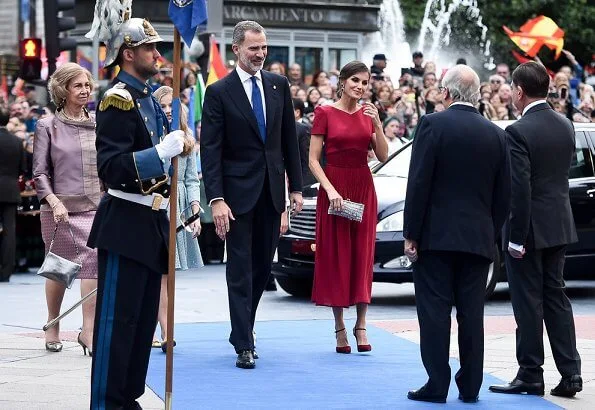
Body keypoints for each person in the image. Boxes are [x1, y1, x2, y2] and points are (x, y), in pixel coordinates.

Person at [85, 15, 185, 408]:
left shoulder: (147, 96)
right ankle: (108, 402)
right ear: (129, 54)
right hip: (125, 224)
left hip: (151, 223)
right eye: (150, 48)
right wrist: (159, 153)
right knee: (117, 325)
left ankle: (128, 398)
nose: (158, 54)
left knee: (143, 327)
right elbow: (111, 168)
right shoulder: (118, 99)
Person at [403, 64, 511, 404]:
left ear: (446, 93)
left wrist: (411, 233)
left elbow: (419, 182)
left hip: (436, 238)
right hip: (477, 241)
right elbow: (503, 194)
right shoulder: (496, 133)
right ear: (477, 95)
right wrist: (489, 234)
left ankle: (437, 384)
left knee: (434, 314)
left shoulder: (432, 125)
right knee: (471, 315)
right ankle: (470, 387)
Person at [200, 20, 303, 369]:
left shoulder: (278, 85)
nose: (260, 54)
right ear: (236, 50)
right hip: (236, 196)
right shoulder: (219, 92)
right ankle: (243, 340)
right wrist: (216, 198)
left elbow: (288, 140)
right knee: (240, 269)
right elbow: (210, 150)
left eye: (263, 47)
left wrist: (297, 188)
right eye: (253, 48)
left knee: (262, 269)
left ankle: (244, 327)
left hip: (272, 193)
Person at [489, 61, 583, 398]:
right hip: (559, 224)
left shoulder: (517, 131)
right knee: (556, 298)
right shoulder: (566, 125)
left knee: (528, 303)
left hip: (528, 231)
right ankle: (571, 374)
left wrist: (514, 238)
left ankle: (530, 373)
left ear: (518, 90)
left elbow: (521, 189)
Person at [309, 61, 389, 354]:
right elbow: (313, 160)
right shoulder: (325, 112)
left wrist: (378, 124)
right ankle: (340, 327)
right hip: (334, 187)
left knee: (362, 254)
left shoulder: (368, 115)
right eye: (355, 80)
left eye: (365, 82)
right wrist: (330, 190)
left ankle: (362, 324)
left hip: (363, 187)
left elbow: (382, 155)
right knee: (336, 256)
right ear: (342, 81)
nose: (360, 86)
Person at [32, 63, 100, 355]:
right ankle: (53, 323)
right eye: (78, 86)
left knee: (93, 264)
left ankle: (88, 331)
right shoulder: (47, 126)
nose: (85, 90)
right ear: (63, 90)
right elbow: (39, 173)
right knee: (60, 270)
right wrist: (54, 200)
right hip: (59, 209)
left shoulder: (99, 123)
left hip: (95, 206)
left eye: (87, 85)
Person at [152, 86, 203, 350]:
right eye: (162, 106)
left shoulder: (188, 140)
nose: (168, 111)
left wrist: (194, 212)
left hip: (180, 206)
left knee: (167, 275)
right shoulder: (150, 138)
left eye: (172, 106)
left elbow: (191, 180)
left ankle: (161, 328)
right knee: (160, 274)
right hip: (155, 205)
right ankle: (164, 329)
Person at [0, 108, 26, 282]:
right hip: (10, 189)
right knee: (10, 231)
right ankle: (6, 271)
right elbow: (23, 169)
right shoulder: (17, 141)